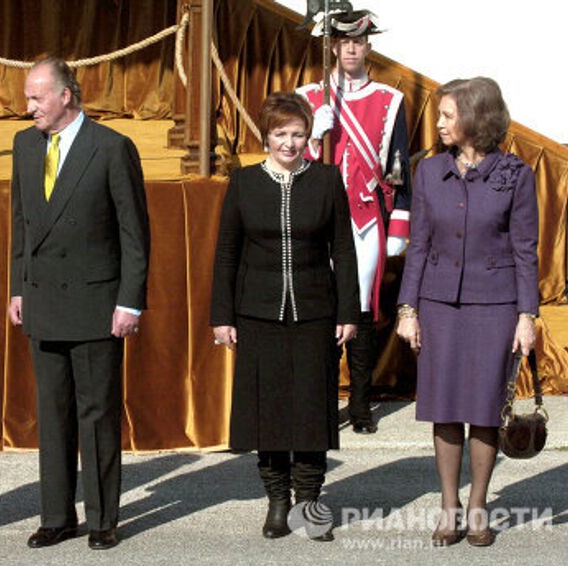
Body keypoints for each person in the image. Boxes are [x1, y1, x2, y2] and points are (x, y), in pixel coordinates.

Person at [8, 56, 149, 551]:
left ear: (66, 95)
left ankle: (103, 517)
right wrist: (18, 287)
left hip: (95, 305)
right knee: (53, 415)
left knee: (97, 415)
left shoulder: (111, 148)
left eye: (36, 97)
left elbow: (134, 233)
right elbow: (22, 223)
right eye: (28, 98)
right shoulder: (25, 146)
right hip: (44, 301)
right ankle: (56, 515)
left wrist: (130, 301)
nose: (29, 109)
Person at [210, 92, 359, 540]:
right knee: (269, 412)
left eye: (297, 134)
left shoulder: (327, 180)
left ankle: (309, 504)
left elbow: (344, 251)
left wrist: (348, 311)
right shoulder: (244, 182)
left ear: (308, 135)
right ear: (266, 135)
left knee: (312, 412)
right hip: (257, 313)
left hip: (316, 311)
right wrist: (223, 316)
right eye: (280, 134)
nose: (290, 143)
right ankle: (277, 502)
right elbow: (226, 253)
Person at [396, 77, 538, 547]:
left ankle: (477, 504)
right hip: (438, 305)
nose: (438, 123)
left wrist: (526, 316)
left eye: (448, 115)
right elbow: (417, 246)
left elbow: (525, 251)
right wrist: (408, 309)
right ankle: (448, 506)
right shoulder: (428, 172)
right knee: (443, 407)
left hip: (495, 307)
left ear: (477, 118)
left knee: (483, 409)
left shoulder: (516, 175)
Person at [296, 10, 412, 433]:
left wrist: (400, 223)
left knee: (360, 311)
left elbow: (399, 165)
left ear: (368, 47)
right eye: (343, 41)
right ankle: (325, 403)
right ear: (332, 45)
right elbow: (290, 164)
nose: (350, 49)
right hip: (318, 221)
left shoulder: (389, 100)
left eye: (358, 42)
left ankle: (360, 404)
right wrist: (312, 137)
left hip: (365, 219)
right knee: (322, 310)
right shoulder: (308, 98)